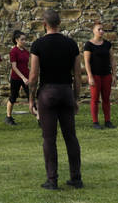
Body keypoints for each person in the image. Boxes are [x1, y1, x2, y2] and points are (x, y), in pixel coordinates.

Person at [28, 10, 83, 190]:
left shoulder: (38, 45)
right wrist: (76, 97)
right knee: (71, 136)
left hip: (48, 92)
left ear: (45, 24)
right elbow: (77, 74)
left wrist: (31, 99)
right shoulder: (71, 44)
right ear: (60, 23)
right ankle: (76, 177)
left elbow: (34, 75)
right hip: (66, 90)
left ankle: (52, 179)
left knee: (49, 138)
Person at [83, 22, 116, 129]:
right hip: (95, 75)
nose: (101, 31)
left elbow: (112, 60)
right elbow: (86, 62)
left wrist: (114, 75)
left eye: (102, 29)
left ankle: (107, 121)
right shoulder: (89, 45)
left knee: (106, 99)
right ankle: (95, 122)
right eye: (99, 29)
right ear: (93, 31)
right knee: (95, 99)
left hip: (106, 75)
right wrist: (90, 76)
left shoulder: (107, 44)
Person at [5, 29, 29, 126]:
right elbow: (14, 67)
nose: (24, 41)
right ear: (16, 40)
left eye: (25, 39)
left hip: (26, 79)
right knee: (13, 97)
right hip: (16, 78)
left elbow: (29, 65)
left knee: (31, 97)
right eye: (22, 39)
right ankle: (8, 117)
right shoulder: (13, 51)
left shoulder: (26, 52)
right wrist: (22, 77)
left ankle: (39, 118)